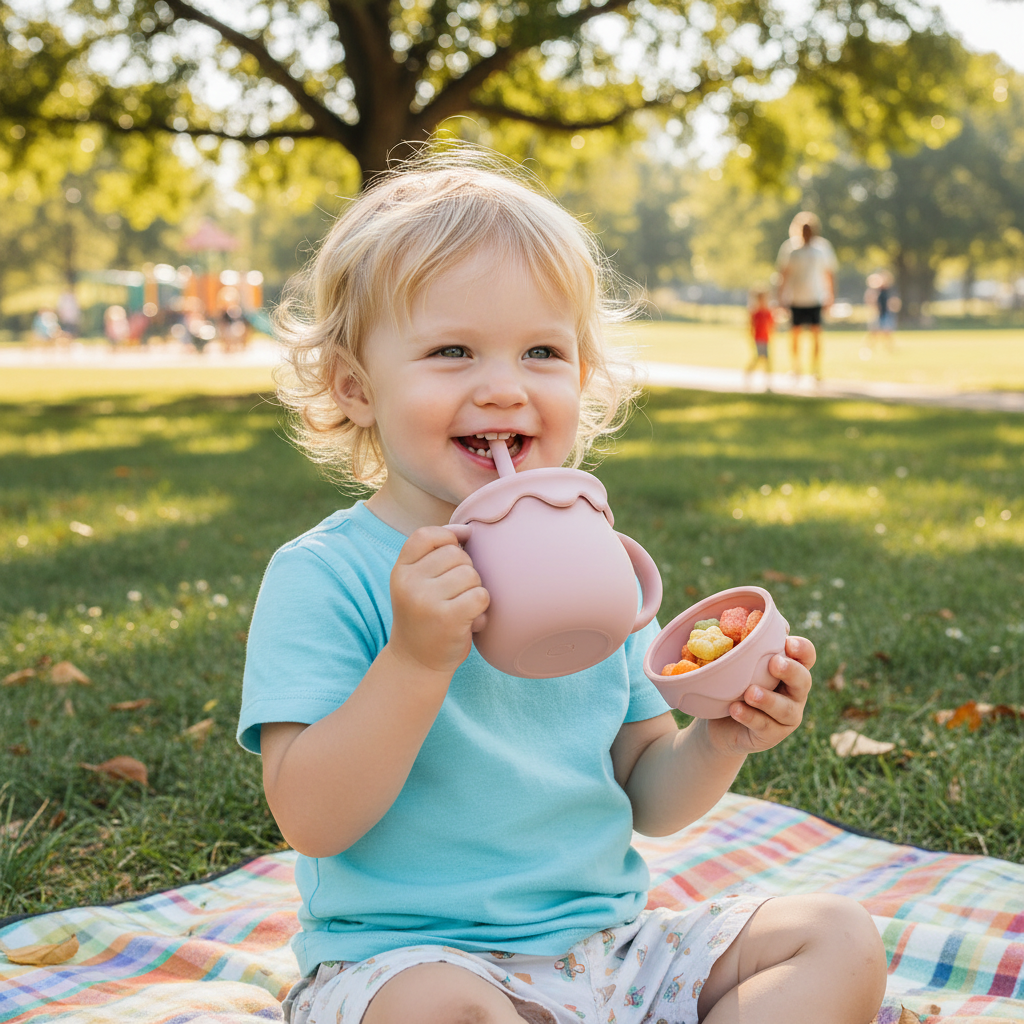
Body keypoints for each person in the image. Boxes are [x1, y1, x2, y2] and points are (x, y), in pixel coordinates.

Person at [237, 152, 886, 1024]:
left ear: (581, 377)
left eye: (541, 351)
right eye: (452, 350)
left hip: (606, 952)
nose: (504, 386)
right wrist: (415, 661)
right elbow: (312, 819)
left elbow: (647, 792)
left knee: (839, 938)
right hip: (407, 959)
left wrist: (721, 735)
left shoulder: (592, 564)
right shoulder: (325, 575)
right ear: (356, 387)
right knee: (439, 1012)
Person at [776, 211, 837, 381]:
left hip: (816, 298)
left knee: (816, 335)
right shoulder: (790, 248)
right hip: (796, 298)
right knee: (795, 335)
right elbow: (783, 274)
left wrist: (831, 296)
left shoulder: (822, 248)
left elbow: (829, 273)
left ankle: (816, 369)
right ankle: (796, 367)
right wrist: (780, 297)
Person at [745, 289, 775, 387]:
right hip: (758, 339)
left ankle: (768, 379)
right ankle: (748, 373)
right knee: (758, 358)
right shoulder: (755, 313)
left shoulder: (768, 312)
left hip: (766, 339)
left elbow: (771, 325)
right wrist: (751, 338)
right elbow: (751, 326)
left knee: (767, 359)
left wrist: (771, 336)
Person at [865, 271, 898, 352]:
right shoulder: (876, 291)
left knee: (887, 332)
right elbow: (870, 300)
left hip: (885, 313)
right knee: (874, 332)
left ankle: (889, 347)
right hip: (877, 314)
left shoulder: (887, 291)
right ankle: (870, 347)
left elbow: (893, 301)